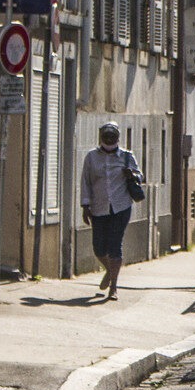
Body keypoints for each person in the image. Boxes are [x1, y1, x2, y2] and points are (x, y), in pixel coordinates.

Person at [78, 122, 144, 301]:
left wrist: (132, 175)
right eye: (106, 136)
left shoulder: (126, 156)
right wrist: (85, 206)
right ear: (101, 137)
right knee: (99, 248)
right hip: (99, 207)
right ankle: (110, 270)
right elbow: (85, 182)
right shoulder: (91, 157)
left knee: (115, 245)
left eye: (112, 136)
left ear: (118, 138)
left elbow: (140, 176)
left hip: (120, 206)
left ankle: (113, 286)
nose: (109, 139)